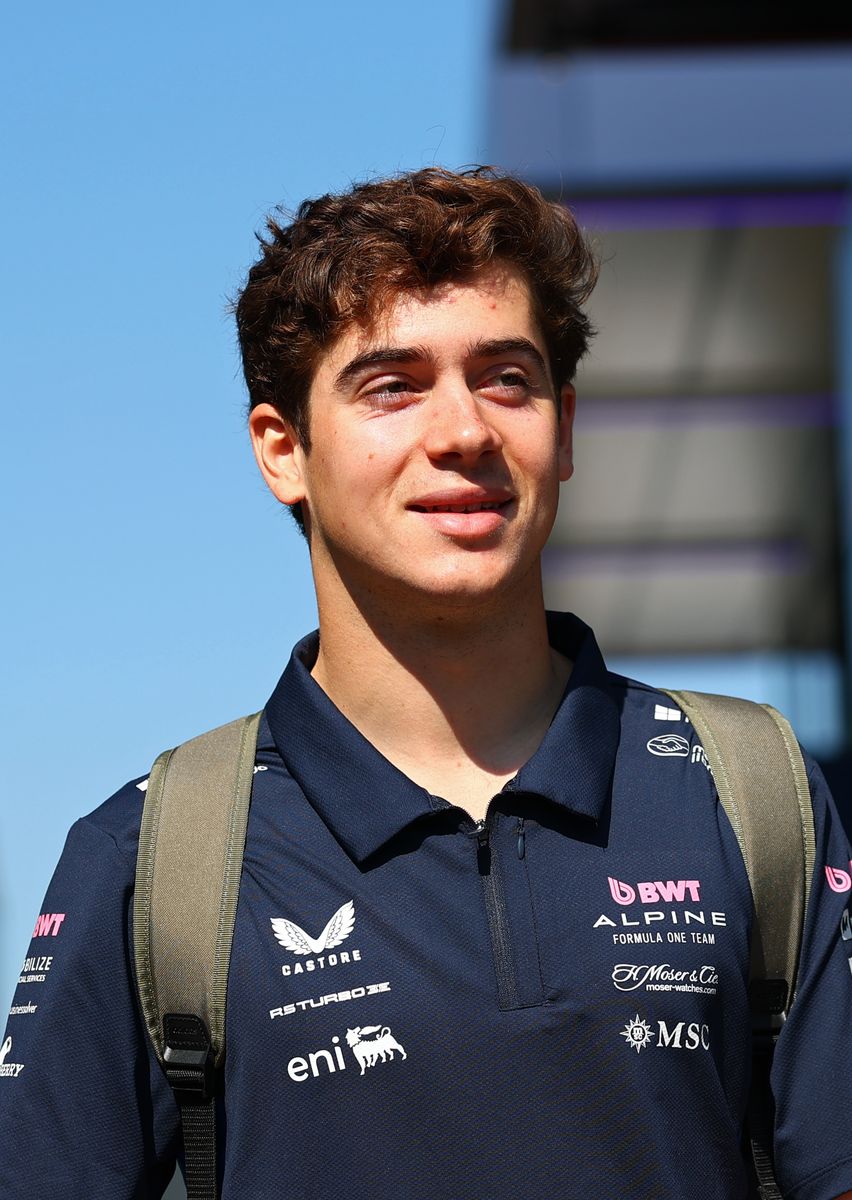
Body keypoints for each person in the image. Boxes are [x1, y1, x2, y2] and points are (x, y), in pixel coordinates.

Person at [0, 166, 850, 1200]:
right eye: (392, 386)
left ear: (565, 429)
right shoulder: (154, 861)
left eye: (507, 378)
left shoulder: (753, 795)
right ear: (283, 451)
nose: (464, 433)